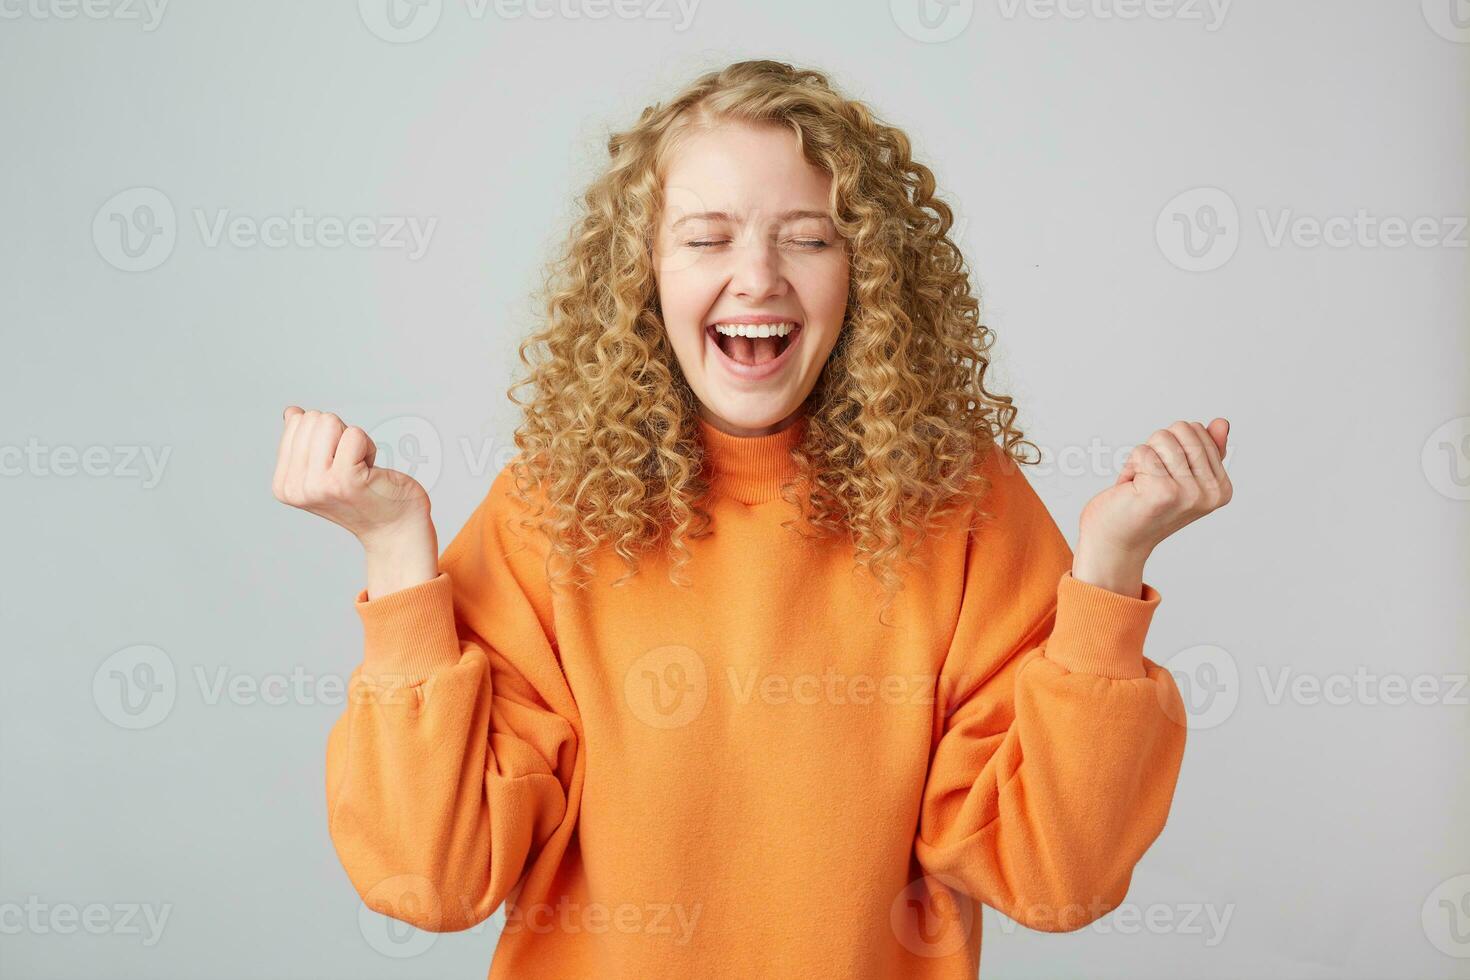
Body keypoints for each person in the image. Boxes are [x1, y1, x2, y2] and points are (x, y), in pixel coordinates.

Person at [272, 59, 1232, 980]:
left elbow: (1054, 879)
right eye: (706, 237)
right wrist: (397, 555)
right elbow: (430, 880)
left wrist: (1110, 570)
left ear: (869, 276)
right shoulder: (551, 512)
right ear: (642, 274)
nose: (759, 277)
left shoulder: (965, 506)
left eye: (809, 237)